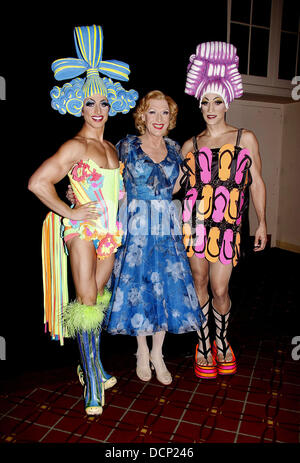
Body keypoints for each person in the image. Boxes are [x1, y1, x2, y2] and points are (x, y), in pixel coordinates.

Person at [28, 25, 138, 415]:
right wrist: (72, 212)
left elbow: (118, 191)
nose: (97, 110)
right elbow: (38, 183)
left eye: (103, 103)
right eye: (90, 104)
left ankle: (87, 363)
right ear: (79, 106)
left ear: (111, 106)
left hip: (110, 234)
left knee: (95, 303)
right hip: (81, 232)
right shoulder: (75, 144)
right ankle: (92, 381)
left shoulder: (110, 146)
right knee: (88, 300)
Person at [103, 90, 205, 385]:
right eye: (153, 112)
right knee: (138, 287)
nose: (158, 119)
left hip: (166, 227)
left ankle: (158, 353)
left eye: (164, 113)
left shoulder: (176, 149)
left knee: (165, 289)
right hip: (135, 227)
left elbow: (176, 189)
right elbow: (107, 180)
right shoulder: (125, 146)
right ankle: (141, 350)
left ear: (170, 118)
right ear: (142, 116)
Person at [180, 41, 267, 379]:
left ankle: (223, 340)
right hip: (195, 224)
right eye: (205, 101)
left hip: (228, 227)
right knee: (199, 282)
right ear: (199, 105)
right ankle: (203, 345)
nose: (210, 107)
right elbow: (174, 186)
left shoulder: (245, 137)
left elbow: (256, 182)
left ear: (227, 102)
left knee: (219, 288)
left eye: (217, 101)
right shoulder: (191, 144)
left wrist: (261, 223)